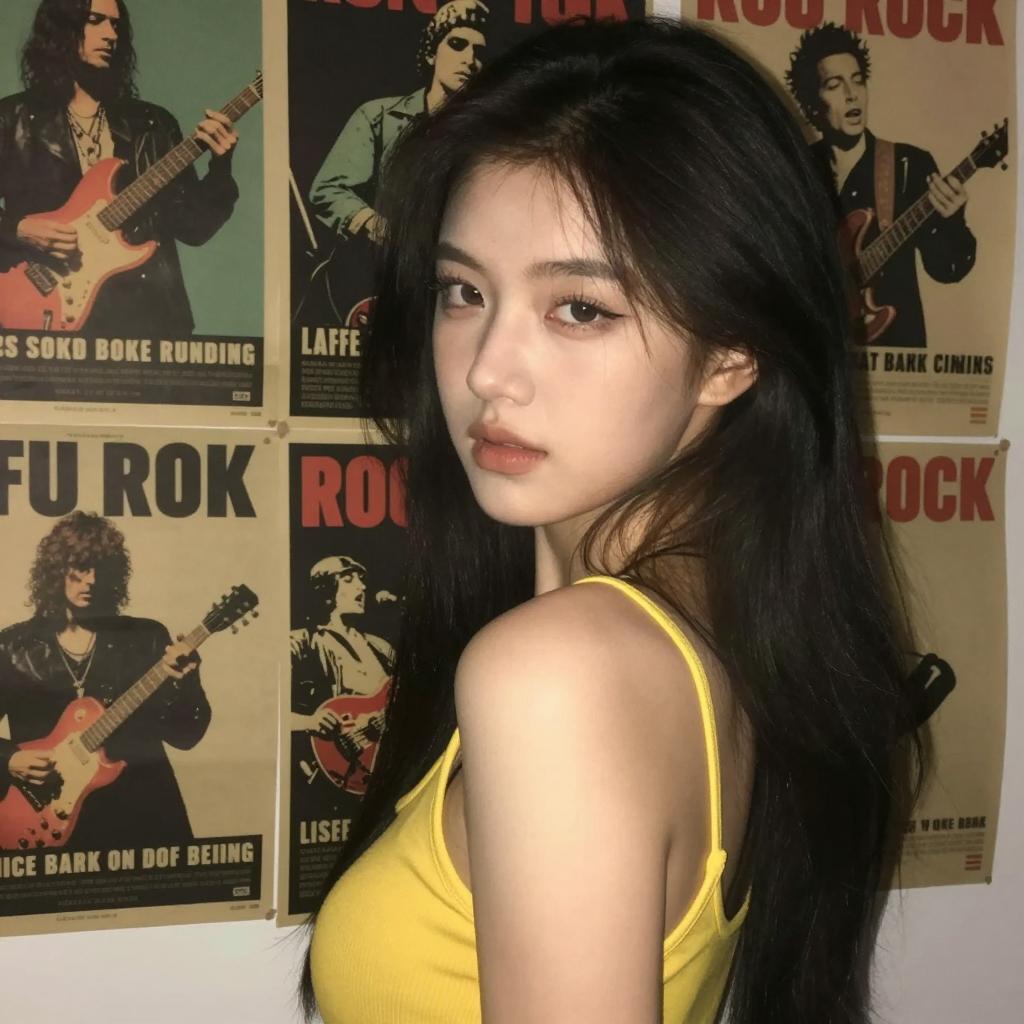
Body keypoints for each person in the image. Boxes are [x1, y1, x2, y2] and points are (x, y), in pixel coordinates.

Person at [301, 17, 922, 1024]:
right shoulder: (713, 631)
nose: (486, 371)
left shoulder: (560, 675)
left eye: (579, 309)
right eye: (464, 291)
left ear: (730, 354)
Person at [0, 0, 241, 336]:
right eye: (95, 20)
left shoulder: (152, 124)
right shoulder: (11, 119)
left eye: (116, 25)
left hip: (145, 321)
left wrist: (220, 168)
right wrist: (19, 229)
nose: (111, 35)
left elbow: (194, 229)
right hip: (45, 311)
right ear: (60, 29)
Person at [0, 511, 210, 850]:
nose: (92, 580)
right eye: (82, 567)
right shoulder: (12, 647)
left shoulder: (146, 638)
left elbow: (186, 737)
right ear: (56, 570)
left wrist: (186, 681)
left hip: (139, 815)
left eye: (102, 569)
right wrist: (8, 759)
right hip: (44, 820)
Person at [785, 22, 976, 348]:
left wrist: (952, 219)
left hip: (897, 350)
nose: (851, 94)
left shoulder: (909, 164)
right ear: (812, 102)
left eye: (858, 80)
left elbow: (948, 270)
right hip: (823, 350)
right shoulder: (796, 169)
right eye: (834, 85)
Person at [309, 0, 489, 246]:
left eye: (478, 52)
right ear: (431, 54)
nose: (469, 59)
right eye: (457, 45)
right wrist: (381, 230)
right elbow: (327, 191)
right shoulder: (377, 116)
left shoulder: (486, 135)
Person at [290, 556, 394, 802]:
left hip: (377, 776)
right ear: (325, 591)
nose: (362, 586)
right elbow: (263, 711)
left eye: (362, 580)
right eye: (348, 579)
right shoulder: (300, 642)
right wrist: (308, 721)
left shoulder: (381, 648)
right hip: (322, 779)